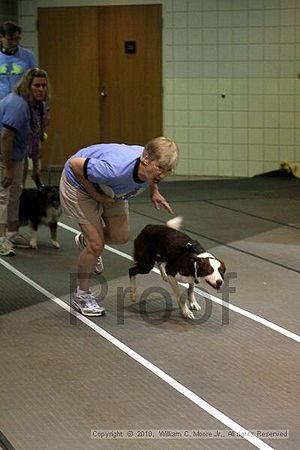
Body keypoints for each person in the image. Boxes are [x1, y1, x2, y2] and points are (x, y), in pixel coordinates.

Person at [59, 137, 179, 317]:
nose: (163, 174)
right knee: (97, 244)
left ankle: (86, 241)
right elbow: (74, 165)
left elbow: (155, 174)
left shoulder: (149, 166)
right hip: (79, 184)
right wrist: (96, 195)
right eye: (160, 168)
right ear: (145, 159)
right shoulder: (115, 170)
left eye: (168, 170)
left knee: (120, 236)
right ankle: (81, 295)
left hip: (110, 187)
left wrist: (154, 190)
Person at [0, 68, 50, 255]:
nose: (41, 89)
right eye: (36, 85)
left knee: (15, 193)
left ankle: (12, 233)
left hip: (18, 153)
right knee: (3, 195)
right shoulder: (18, 105)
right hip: (4, 152)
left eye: (44, 86)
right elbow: (5, 139)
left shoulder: (37, 106)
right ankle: (0, 239)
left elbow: (35, 136)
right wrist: (8, 169)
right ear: (27, 86)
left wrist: (36, 166)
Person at [0, 20, 48, 185]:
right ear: (1, 38)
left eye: (17, 39)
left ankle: (27, 178)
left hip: (22, 107)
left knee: (26, 145)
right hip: (3, 109)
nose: (14, 43)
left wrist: (44, 110)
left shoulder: (27, 56)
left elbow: (38, 80)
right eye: (10, 39)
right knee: (5, 142)